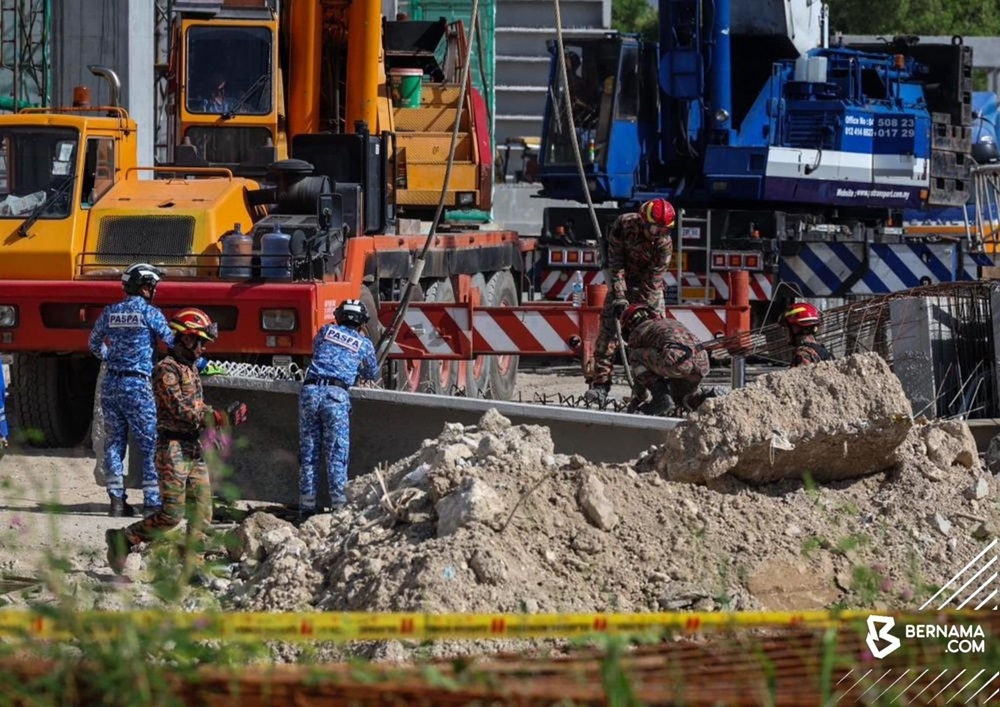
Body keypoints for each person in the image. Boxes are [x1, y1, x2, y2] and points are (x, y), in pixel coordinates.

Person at [105, 308, 247, 575]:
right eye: (199, 341)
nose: (203, 347)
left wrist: (213, 429)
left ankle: (192, 567)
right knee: (172, 515)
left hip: (193, 448)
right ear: (184, 339)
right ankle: (125, 538)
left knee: (203, 511)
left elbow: (197, 405)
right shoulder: (166, 370)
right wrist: (218, 418)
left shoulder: (190, 368)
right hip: (172, 450)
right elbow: (180, 409)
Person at [88, 263, 174, 518]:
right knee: (150, 444)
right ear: (145, 287)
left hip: (111, 384)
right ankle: (152, 503)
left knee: (114, 443)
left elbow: (93, 343)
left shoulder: (110, 311)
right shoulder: (150, 313)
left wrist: (110, 358)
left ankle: (116, 502)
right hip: (137, 385)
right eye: (153, 286)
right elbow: (172, 342)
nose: (154, 291)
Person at [584, 198, 676, 405]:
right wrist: (619, 297)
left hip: (648, 289)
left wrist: (639, 313)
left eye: (664, 229)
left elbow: (653, 280)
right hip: (622, 281)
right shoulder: (624, 225)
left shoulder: (664, 244)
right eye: (655, 228)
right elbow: (616, 261)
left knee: (655, 335)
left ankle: (657, 390)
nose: (658, 233)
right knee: (608, 334)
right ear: (643, 221)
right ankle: (600, 386)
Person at [298, 298, 379, 521]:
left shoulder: (326, 331)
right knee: (336, 452)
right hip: (336, 396)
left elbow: (316, 351)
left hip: (310, 392)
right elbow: (372, 373)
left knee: (309, 452)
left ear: (339, 316)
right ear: (362, 322)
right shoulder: (364, 344)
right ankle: (339, 508)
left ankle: (306, 507)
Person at [620, 304, 711, 416]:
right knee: (682, 395)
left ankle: (661, 400)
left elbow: (638, 369)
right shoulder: (671, 322)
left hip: (675, 362)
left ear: (629, 326)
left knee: (636, 355)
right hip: (702, 361)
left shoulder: (637, 332)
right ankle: (705, 398)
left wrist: (639, 396)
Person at [781, 302, 833, 368]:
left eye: (787, 328)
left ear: (796, 328)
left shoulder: (802, 355)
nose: (785, 334)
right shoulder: (822, 350)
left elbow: (799, 377)